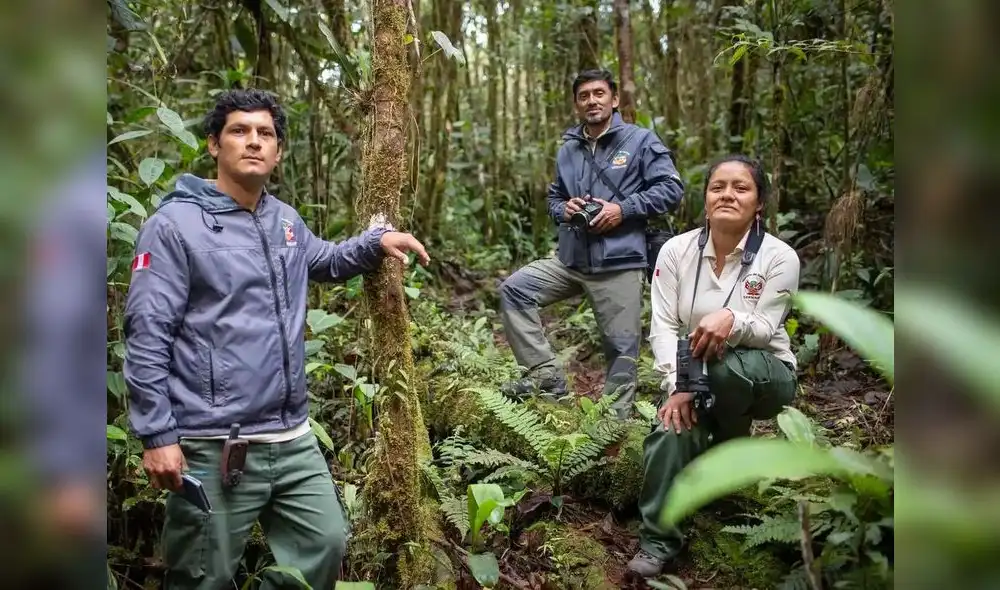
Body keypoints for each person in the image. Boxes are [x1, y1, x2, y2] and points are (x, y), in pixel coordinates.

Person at [123, 88, 430, 589]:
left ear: (279, 151)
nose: (253, 141)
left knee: (325, 543)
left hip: (291, 437)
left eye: (265, 133)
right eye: (239, 131)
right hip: (214, 441)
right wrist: (157, 435)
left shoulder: (283, 219)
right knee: (202, 575)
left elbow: (324, 260)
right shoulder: (174, 226)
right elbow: (147, 332)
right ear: (214, 145)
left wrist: (377, 242)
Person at [626, 155, 801, 578]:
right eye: (717, 187)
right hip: (693, 376)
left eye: (741, 188)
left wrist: (731, 319)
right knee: (670, 431)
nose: (727, 195)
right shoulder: (675, 251)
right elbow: (663, 327)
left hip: (766, 374)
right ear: (705, 198)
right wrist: (677, 386)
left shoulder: (779, 257)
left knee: (721, 369)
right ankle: (657, 540)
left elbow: (765, 328)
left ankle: (730, 431)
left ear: (759, 203)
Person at [498, 68, 684, 418]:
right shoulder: (568, 149)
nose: (592, 101)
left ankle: (613, 427)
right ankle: (546, 377)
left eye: (599, 93)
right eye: (584, 96)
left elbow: (671, 189)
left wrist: (622, 209)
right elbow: (554, 198)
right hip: (571, 260)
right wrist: (564, 209)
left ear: (614, 100)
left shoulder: (641, 141)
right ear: (576, 105)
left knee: (622, 350)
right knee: (515, 290)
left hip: (620, 262)